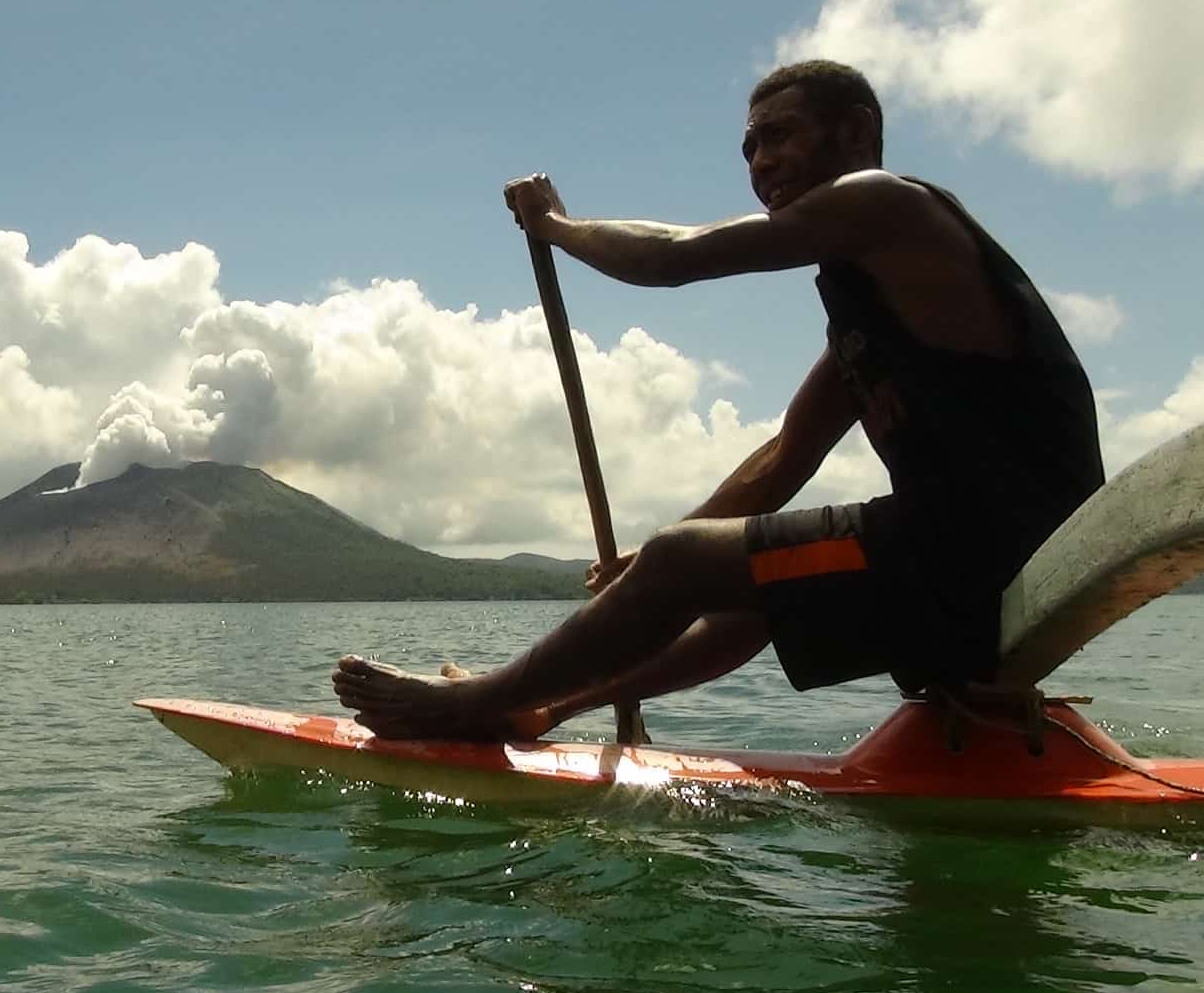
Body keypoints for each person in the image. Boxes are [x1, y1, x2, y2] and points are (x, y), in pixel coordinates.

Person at [333, 59, 1105, 741]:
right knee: (747, 593)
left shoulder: (888, 204)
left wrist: (553, 226)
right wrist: (675, 552)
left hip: (995, 546)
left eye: (781, 137)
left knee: (687, 562)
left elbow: (677, 258)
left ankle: (464, 706)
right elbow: (782, 461)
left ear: (857, 130)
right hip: (964, 554)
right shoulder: (873, 308)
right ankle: (544, 707)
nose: (763, 163)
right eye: (750, 149)